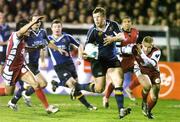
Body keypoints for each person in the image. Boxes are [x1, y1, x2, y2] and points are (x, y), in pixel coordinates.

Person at [75, 7, 131, 119]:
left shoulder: (113, 25)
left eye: (99, 17)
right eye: (94, 17)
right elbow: (86, 46)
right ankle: (77, 87)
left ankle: (121, 110)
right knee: (99, 89)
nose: (96, 20)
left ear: (104, 17)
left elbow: (122, 36)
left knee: (118, 81)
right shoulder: (92, 30)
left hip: (112, 59)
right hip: (98, 61)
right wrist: (85, 54)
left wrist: (113, 39)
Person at [6, 16, 61, 113]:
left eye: (38, 21)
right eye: (35, 21)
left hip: (27, 64)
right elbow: (24, 46)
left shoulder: (39, 33)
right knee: (9, 91)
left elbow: (46, 44)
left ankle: (45, 106)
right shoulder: (21, 34)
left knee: (36, 84)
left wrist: (58, 49)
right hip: (19, 66)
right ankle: (20, 97)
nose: (37, 22)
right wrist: (36, 47)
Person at [49, 19, 97, 110]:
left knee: (76, 87)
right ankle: (89, 104)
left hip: (70, 64)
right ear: (51, 28)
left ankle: (57, 84)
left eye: (59, 26)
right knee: (74, 84)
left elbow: (80, 46)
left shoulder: (67, 37)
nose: (57, 28)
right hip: (59, 66)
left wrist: (79, 58)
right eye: (55, 27)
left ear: (61, 27)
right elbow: (41, 47)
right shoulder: (48, 39)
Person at [102, 16, 139, 108]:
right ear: (122, 24)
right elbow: (115, 49)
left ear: (131, 23)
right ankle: (106, 97)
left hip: (132, 59)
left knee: (144, 73)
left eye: (129, 21)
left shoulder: (136, 32)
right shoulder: (118, 34)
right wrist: (125, 50)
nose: (127, 23)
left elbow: (137, 44)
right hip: (121, 60)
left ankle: (130, 89)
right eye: (125, 22)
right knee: (117, 81)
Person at [122, 36, 161, 119]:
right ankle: (144, 102)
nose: (146, 49)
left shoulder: (157, 51)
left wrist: (142, 53)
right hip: (141, 70)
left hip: (154, 72)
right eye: (145, 46)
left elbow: (151, 64)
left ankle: (148, 112)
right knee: (147, 86)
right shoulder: (134, 48)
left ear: (152, 46)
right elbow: (121, 50)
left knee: (154, 97)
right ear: (141, 44)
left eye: (149, 47)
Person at [0, 11, 12, 96]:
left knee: (4, 71)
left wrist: (9, 42)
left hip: (6, 51)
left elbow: (10, 37)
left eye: (3, 15)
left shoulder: (7, 26)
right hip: (0, 51)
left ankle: (5, 89)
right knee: (1, 70)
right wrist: (6, 43)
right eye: (0, 16)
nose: (2, 17)